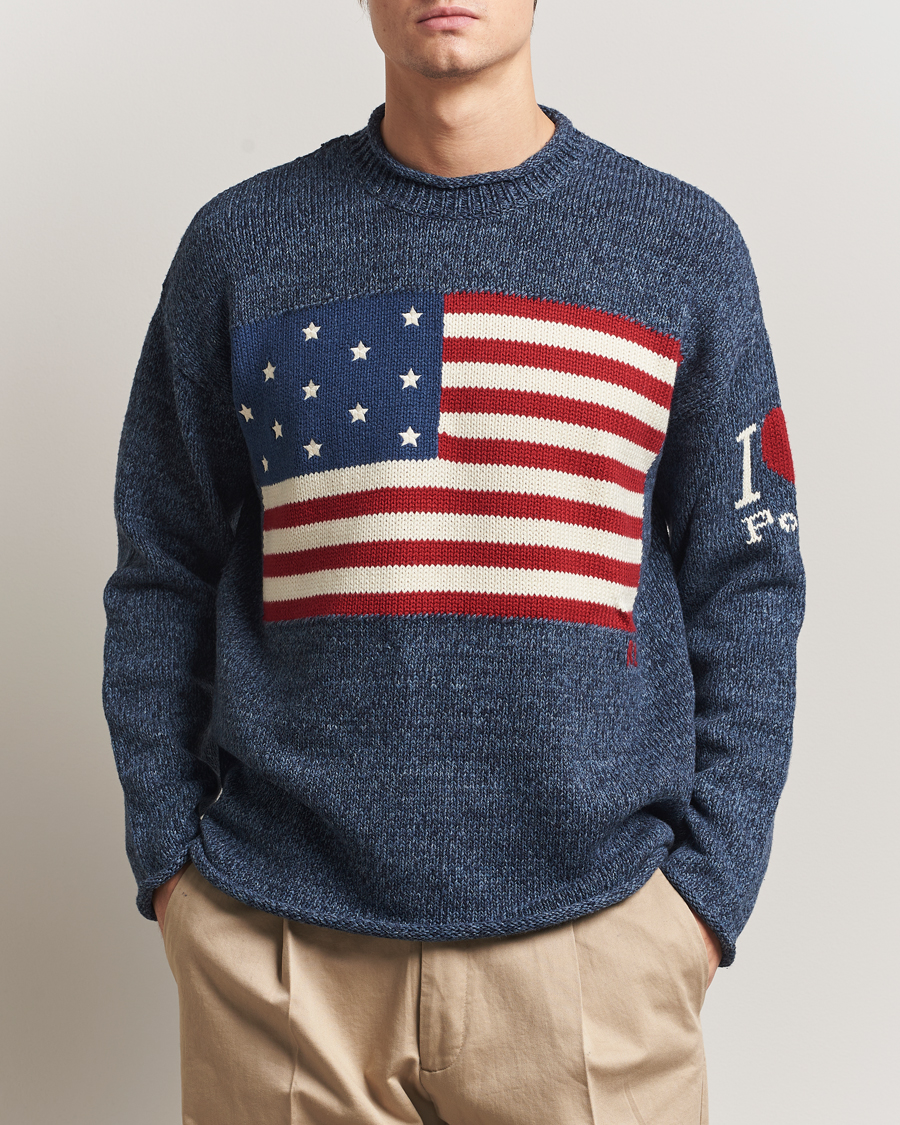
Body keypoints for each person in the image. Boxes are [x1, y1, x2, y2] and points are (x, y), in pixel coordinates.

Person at [102, 1, 805, 1122]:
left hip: (596, 950)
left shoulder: (681, 246)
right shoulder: (242, 246)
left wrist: (703, 897)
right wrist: (173, 866)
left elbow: (749, 579)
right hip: (278, 956)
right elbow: (162, 569)